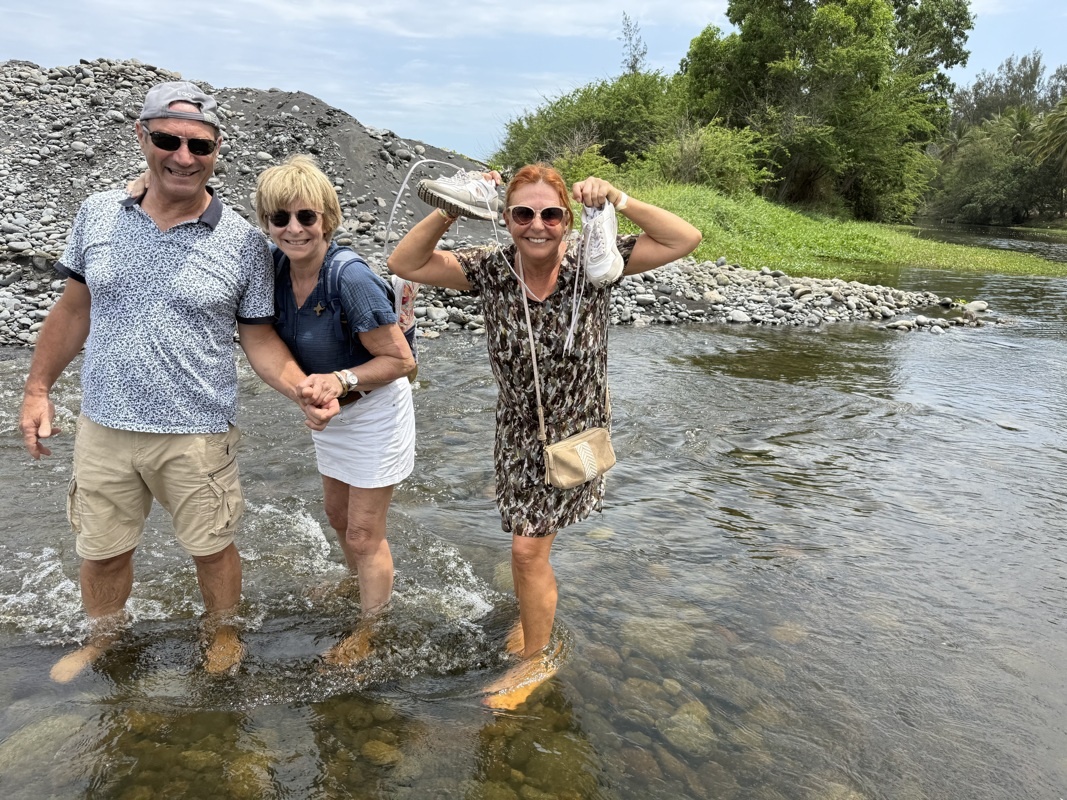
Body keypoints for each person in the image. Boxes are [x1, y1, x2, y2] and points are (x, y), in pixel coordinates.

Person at [18, 81, 339, 683]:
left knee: (212, 547)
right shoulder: (97, 213)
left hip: (197, 431)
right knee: (101, 550)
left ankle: (221, 634)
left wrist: (300, 385)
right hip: (104, 423)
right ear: (143, 137)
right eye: (169, 140)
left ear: (218, 149)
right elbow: (73, 310)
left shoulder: (244, 241)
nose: (184, 156)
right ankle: (103, 640)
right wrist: (38, 390)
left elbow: (259, 336)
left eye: (200, 145)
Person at [387, 164, 701, 707]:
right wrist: (454, 206)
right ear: (506, 220)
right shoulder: (491, 270)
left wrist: (619, 198)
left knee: (528, 551)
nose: (538, 225)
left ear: (567, 219)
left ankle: (535, 662)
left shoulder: (596, 264)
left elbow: (684, 238)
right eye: (523, 214)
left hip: (575, 436)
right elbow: (404, 263)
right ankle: (532, 624)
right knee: (524, 550)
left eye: (551, 214)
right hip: (516, 436)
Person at [254, 155, 417, 665]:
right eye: (280, 219)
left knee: (365, 533)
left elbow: (400, 360)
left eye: (307, 217)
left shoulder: (349, 278)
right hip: (333, 408)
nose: (294, 229)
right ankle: (355, 584)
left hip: (374, 410)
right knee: (336, 514)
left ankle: (372, 631)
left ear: (328, 217)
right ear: (267, 223)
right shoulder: (275, 269)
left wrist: (340, 381)